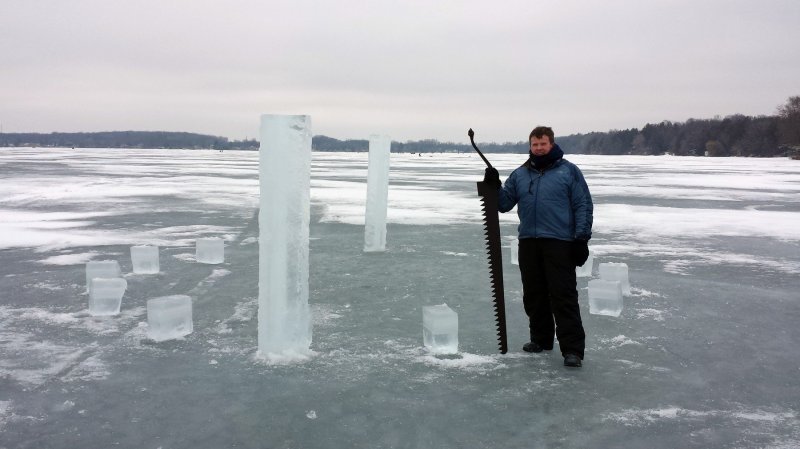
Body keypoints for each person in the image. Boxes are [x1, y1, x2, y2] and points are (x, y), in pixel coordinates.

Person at [483, 126, 593, 368]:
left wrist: (581, 239)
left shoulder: (569, 172)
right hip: (529, 242)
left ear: (551, 144)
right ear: (530, 146)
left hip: (559, 242)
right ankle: (541, 339)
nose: (539, 148)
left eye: (543, 144)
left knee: (563, 296)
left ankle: (572, 350)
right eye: (535, 144)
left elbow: (583, 204)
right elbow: (503, 204)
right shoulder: (521, 174)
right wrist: (493, 185)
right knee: (534, 295)